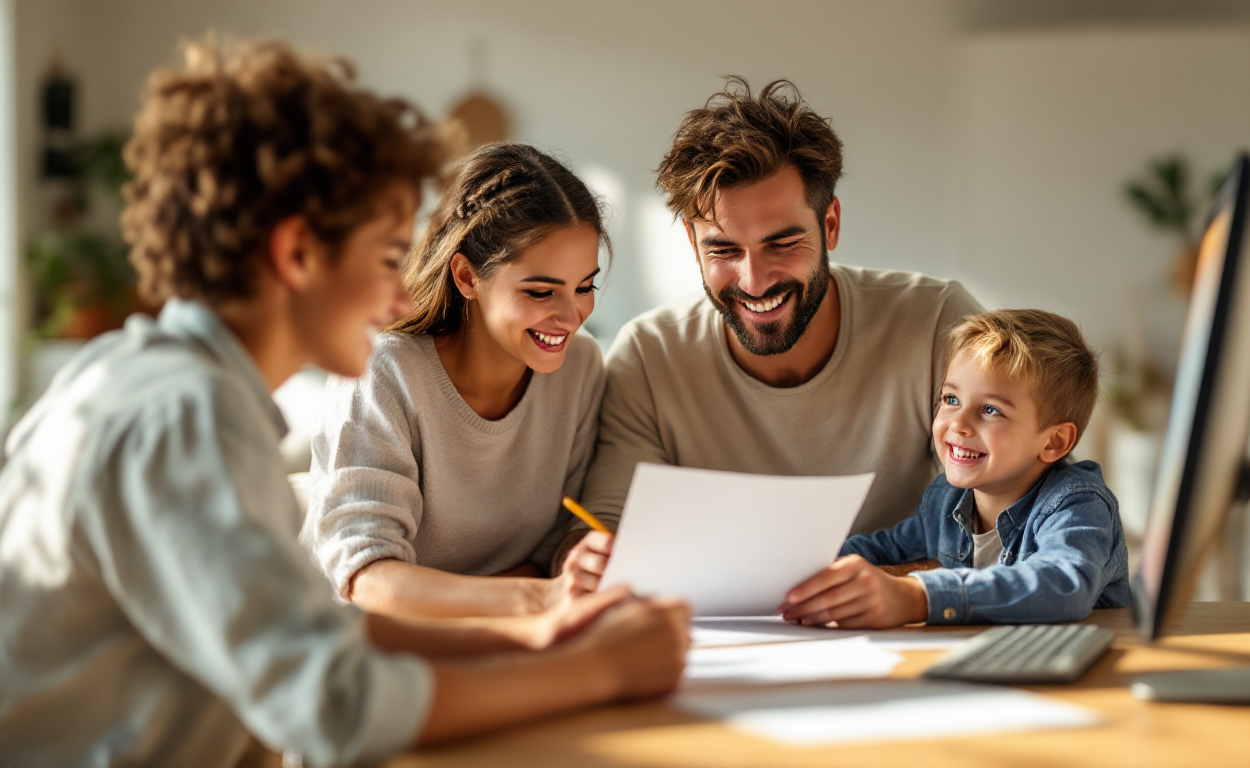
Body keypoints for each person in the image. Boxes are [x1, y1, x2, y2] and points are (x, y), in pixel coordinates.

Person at [0, 39, 687, 768]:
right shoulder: (183, 420)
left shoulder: (139, 375)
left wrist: (530, 633)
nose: (400, 295)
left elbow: (314, 631)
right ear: (297, 253)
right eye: (391, 256)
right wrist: (597, 671)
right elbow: (335, 705)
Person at [565, 77, 982, 592]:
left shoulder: (937, 323)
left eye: (782, 243)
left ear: (829, 225)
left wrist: (898, 585)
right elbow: (608, 531)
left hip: (914, 635)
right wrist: (589, 560)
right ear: (694, 248)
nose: (754, 280)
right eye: (722, 251)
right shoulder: (650, 356)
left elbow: (1027, 516)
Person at [302, 142, 610, 619]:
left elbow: (555, 550)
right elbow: (366, 577)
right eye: (541, 291)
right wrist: (539, 598)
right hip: (369, 650)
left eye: (585, 287)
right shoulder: (384, 371)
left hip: (512, 635)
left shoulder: (580, 367)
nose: (571, 317)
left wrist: (574, 566)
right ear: (467, 276)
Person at [778, 309, 1131, 628]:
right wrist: (798, 568)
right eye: (951, 399)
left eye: (991, 409)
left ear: (1053, 442)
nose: (958, 424)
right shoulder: (945, 500)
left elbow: (1063, 585)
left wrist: (919, 597)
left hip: (1083, 676)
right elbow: (883, 550)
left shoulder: (1077, 503)